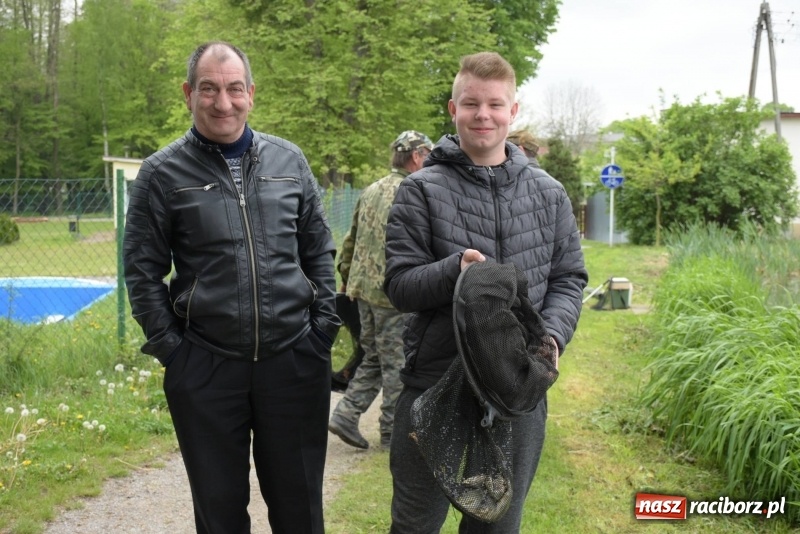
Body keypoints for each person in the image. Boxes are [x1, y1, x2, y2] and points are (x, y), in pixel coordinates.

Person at [123, 41, 340, 534]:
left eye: (234, 89)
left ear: (251, 93)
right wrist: (174, 352)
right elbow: (142, 271)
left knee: (300, 511)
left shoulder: (290, 161)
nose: (224, 103)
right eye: (209, 89)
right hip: (205, 367)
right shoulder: (162, 173)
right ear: (188, 93)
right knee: (219, 515)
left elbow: (318, 253)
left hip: (294, 363)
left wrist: (322, 331)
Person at [383, 51, 588, 532]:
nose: (483, 114)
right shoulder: (419, 190)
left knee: (496, 525)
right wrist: (456, 269)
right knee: (415, 523)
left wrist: (552, 339)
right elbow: (400, 286)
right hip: (434, 383)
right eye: (471, 103)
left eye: (495, 104)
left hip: (517, 388)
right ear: (453, 110)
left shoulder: (548, 193)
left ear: (512, 111)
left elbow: (568, 279)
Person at [328, 130, 434, 450]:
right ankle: (392, 433)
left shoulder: (371, 189)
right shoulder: (415, 190)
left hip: (363, 290)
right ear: (416, 156)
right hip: (392, 294)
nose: (430, 160)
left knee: (374, 355)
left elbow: (351, 238)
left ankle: (346, 414)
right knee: (397, 364)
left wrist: (347, 277)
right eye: (427, 154)